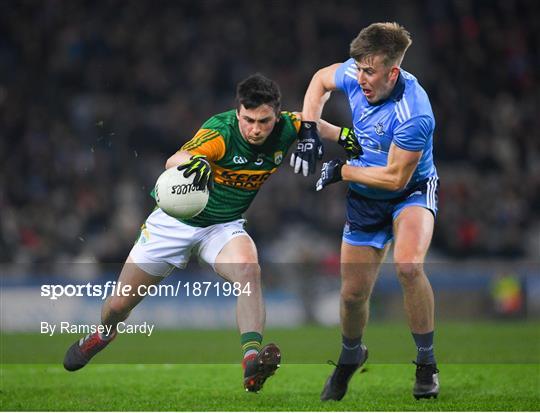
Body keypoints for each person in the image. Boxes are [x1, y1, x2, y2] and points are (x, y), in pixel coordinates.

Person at [63, 73, 358, 393]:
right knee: (119, 306)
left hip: (222, 225)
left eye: (264, 121)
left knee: (248, 271)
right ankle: (103, 334)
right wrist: (196, 162)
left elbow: (310, 122)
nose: (256, 129)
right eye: (248, 120)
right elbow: (174, 159)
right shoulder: (221, 131)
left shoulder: (286, 125)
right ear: (237, 113)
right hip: (174, 224)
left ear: (276, 114)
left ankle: (251, 361)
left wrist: (345, 136)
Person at [292, 22, 440, 401]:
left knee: (408, 266)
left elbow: (394, 179)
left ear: (393, 72)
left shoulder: (415, 113)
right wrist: (310, 130)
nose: (360, 79)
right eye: (358, 69)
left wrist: (340, 169)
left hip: (409, 192)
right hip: (363, 196)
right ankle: (350, 355)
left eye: (369, 72)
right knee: (352, 296)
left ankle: (426, 364)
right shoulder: (356, 73)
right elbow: (318, 82)